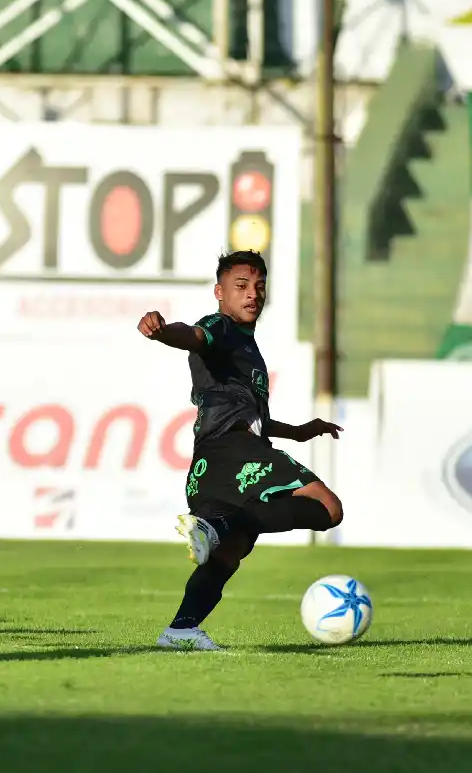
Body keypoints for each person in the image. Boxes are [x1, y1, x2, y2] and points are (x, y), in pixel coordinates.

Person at [137, 250, 345, 651]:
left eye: (259, 286)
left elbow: (254, 419)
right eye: (242, 286)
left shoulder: (247, 351)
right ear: (220, 292)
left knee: (229, 554)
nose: (253, 294)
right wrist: (163, 332)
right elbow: (193, 335)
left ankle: (180, 629)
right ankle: (217, 529)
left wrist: (300, 432)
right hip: (235, 450)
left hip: (208, 467)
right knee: (328, 508)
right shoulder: (221, 327)